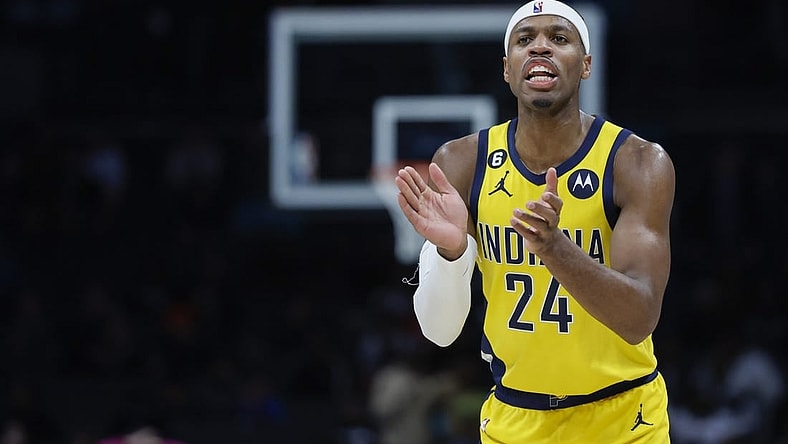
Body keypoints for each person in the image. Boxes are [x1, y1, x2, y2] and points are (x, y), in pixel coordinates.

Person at [394, 0, 676, 442]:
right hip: (515, 417)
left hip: (623, 418)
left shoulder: (636, 162)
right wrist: (451, 255)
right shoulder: (462, 161)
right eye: (525, 40)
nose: (540, 48)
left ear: (585, 65)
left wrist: (555, 249)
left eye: (558, 39)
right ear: (508, 68)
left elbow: (640, 316)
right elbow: (440, 333)